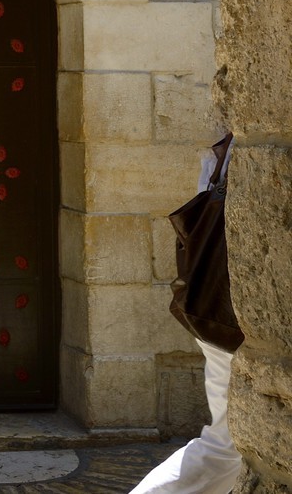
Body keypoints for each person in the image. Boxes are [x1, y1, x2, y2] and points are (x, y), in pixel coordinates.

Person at [130, 133, 242, 494]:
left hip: (214, 314)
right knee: (225, 448)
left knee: (227, 447)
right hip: (229, 318)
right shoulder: (247, 151)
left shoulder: (223, 154)